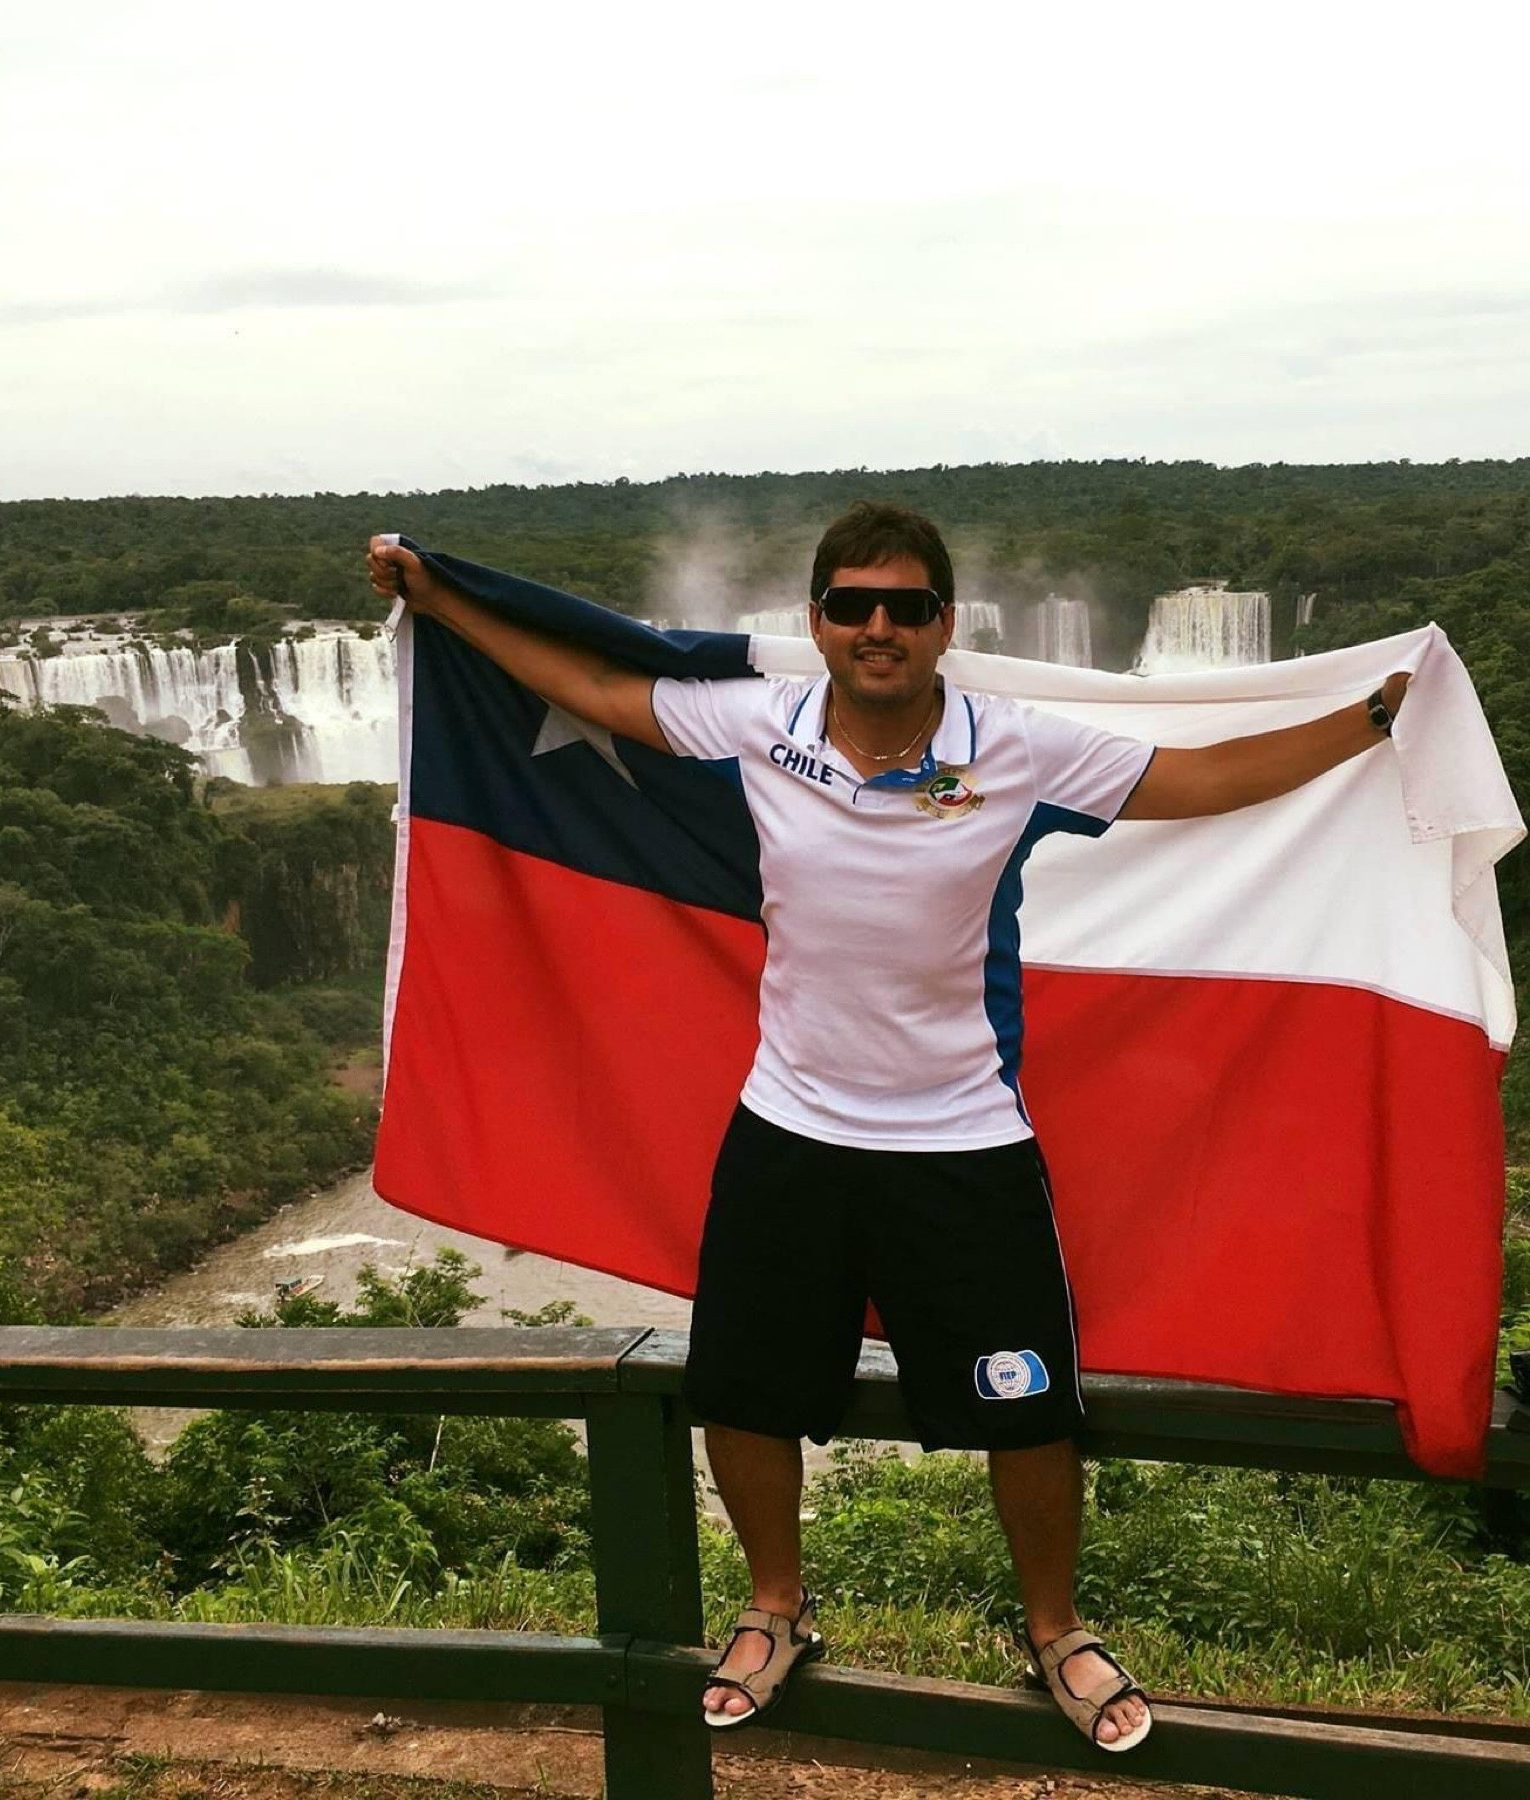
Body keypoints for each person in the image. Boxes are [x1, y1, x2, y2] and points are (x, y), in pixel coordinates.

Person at [366, 502, 1409, 1753]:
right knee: (743, 1389)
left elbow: (1198, 781)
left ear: (942, 624)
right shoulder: (756, 723)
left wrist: (1373, 718)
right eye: (852, 605)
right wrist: (443, 600)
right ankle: (775, 1607)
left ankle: (1056, 1629)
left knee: (1028, 1404)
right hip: (790, 1126)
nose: (878, 627)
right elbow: (591, 686)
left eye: (905, 607)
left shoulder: (1012, 746)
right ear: (815, 623)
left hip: (964, 1137)